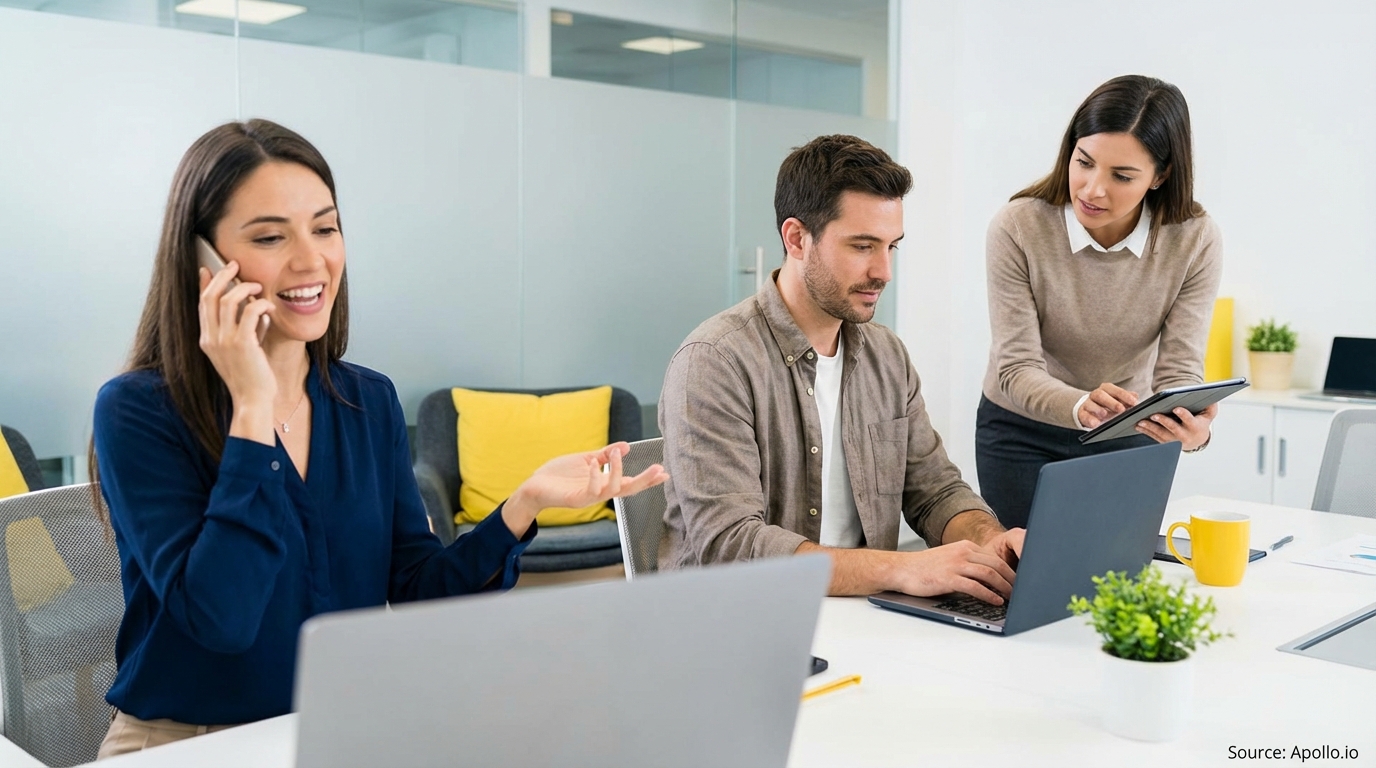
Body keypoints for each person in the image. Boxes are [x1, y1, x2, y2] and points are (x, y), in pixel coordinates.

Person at [90, 119, 666, 758]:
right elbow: (221, 618)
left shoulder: (366, 401)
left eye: (325, 228)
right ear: (203, 263)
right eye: (271, 236)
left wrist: (522, 504)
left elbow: (416, 588)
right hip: (188, 742)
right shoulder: (139, 411)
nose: (311, 261)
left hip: (337, 731)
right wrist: (251, 407)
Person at [658, 134, 1023, 602]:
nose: (884, 271)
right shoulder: (715, 361)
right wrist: (903, 568)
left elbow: (935, 492)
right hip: (736, 623)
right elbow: (730, 546)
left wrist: (987, 540)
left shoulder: (886, 356)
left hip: (857, 619)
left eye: (892, 246)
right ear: (796, 239)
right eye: (862, 246)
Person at [978, 75, 1222, 530]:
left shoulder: (1194, 238)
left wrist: (1195, 427)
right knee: (1025, 578)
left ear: (1161, 175)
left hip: (1128, 429)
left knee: (1118, 577)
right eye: (1083, 162)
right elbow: (1015, 369)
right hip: (1021, 431)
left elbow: (1179, 370)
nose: (1092, 189)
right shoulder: (1018, 227)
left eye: (1122, 176)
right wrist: (1080, 404)